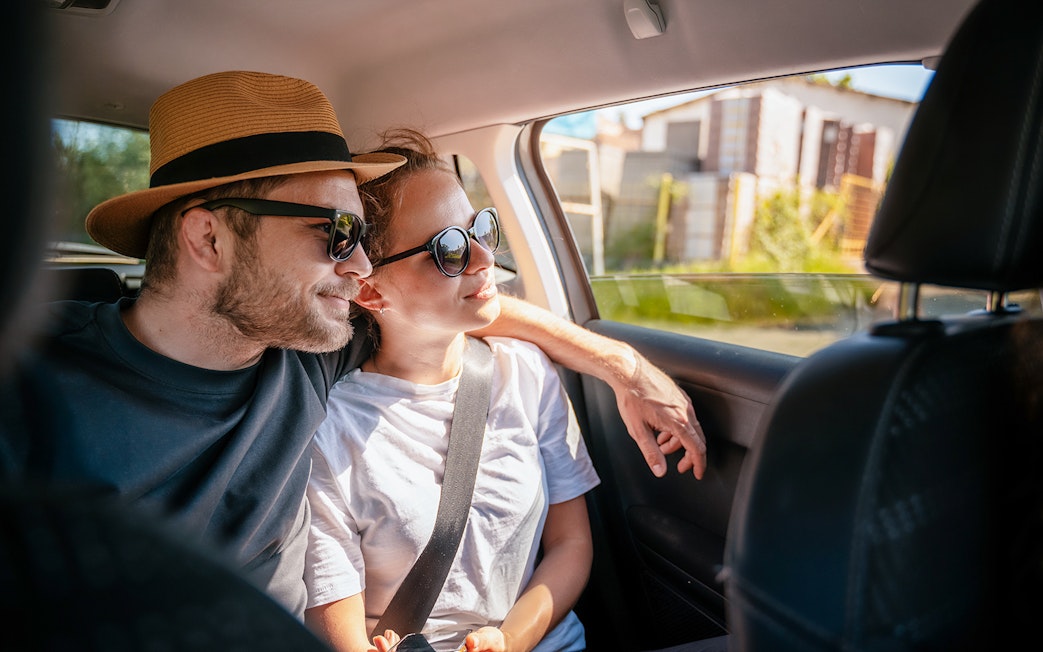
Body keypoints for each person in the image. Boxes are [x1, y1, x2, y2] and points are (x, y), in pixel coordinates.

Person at [0, 70, 705, 620]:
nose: (361, 269)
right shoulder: (30, 389)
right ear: (207, 237)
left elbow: (466, 309)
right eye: (334, 236)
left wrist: (622, 365)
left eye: (363, 242)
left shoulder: (307, 352)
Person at [304, 130, 599, 652]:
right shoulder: (329, 429)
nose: (485, 258)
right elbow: (337, 617)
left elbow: (571, 543)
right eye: (450, 249)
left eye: (480, 229)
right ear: (369, 289)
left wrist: (509, 641)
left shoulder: (528, 373)